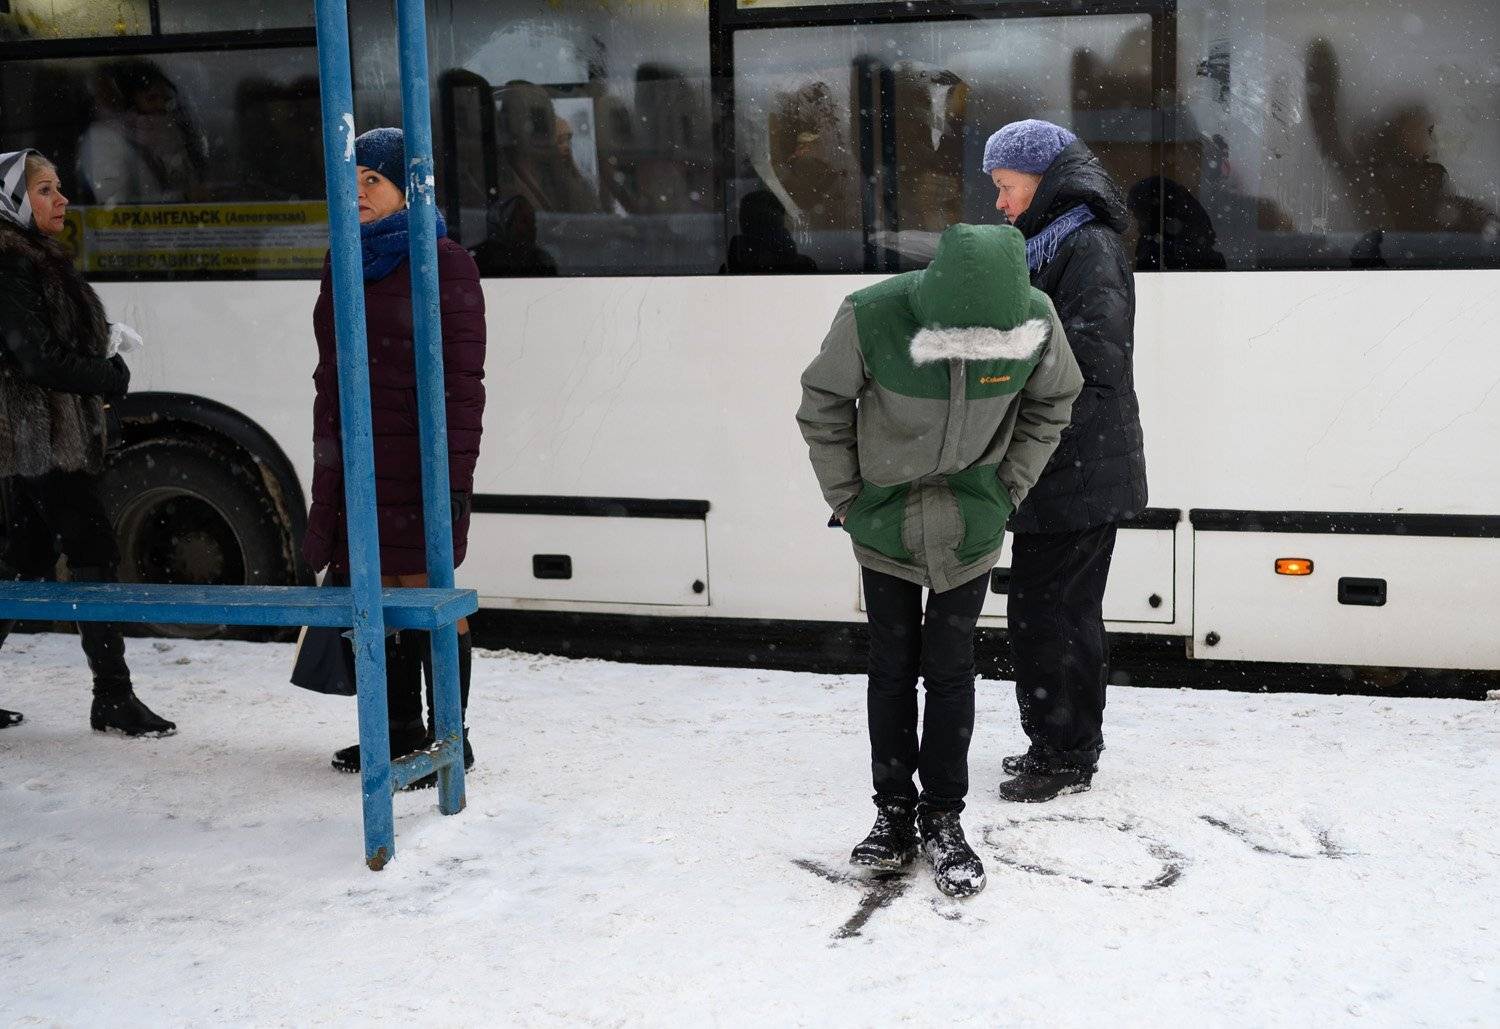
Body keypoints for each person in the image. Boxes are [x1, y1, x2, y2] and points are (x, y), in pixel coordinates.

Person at [797, 223, 1082, 897]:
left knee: (950, 670)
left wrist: (1007, 488)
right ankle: (892, 814)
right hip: (885, 523)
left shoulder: (1034, 319)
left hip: (969, 525)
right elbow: (824, 404)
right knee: (892, 667)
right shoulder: (873, 314)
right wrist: (847, 496)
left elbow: (1054, 401)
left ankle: (944, 817)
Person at [303, 128, 487, 787]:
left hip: (418, 462)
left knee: (428, 593)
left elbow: (463, 383)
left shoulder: (442, 259)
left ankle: (449, 738)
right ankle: (399, 733)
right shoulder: (344, 258)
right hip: (358, 457)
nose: (356, 193)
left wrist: (455, 477)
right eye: (349, 182)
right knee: (374, 595)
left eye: (371, 181)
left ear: (404, 188)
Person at [982, 119, 1148, 803]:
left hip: (1075, 462)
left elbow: (1091, 360)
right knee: (1040, 612)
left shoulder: (1085, 244)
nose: (999, 202)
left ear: (1040, 180)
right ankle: (1052, 742)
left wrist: (1010, 384)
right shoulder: (1057, 242)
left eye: (1006, 187)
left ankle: (1067, 753)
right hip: (1062, 462)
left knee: (1057, 615)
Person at [0, 148, 176, 736]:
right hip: (40, 439)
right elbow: (35, 358)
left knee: (21, 559)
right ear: (15, 199)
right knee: (93, 549)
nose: (62, 199)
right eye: (45, 190)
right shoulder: (11, 260)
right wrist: (109, 374)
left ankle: (112, 697)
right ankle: (114, 697)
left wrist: (100, 340)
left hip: (40, 438)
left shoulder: (34, 255)